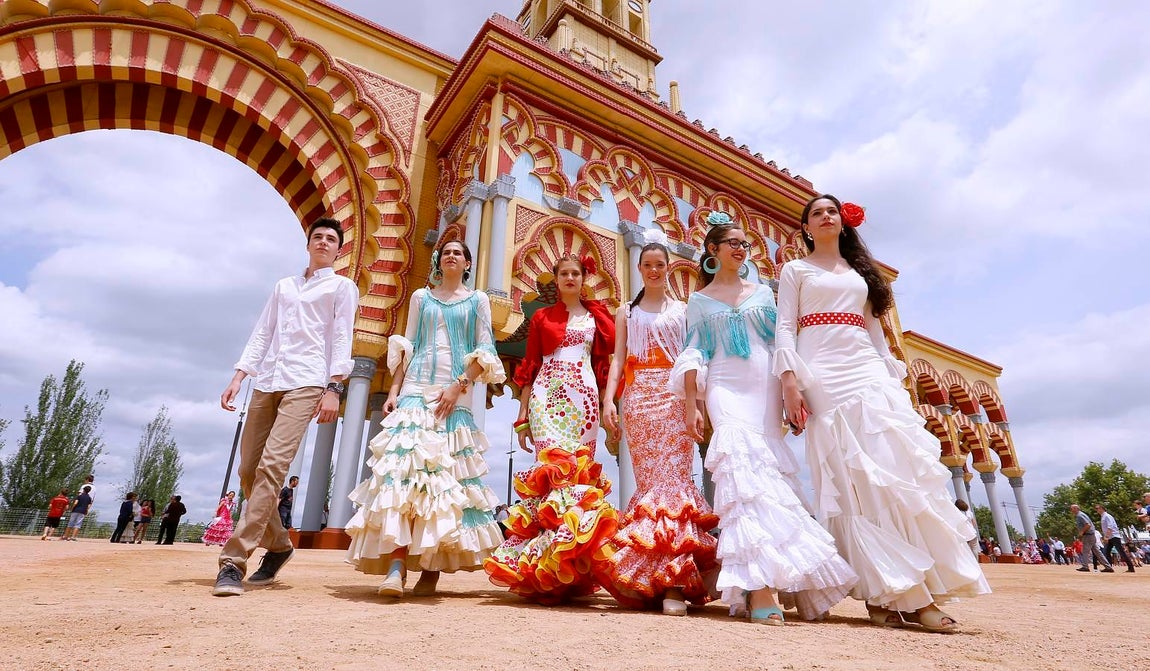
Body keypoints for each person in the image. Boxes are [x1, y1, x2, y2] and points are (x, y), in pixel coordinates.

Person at [775, 195, 990, 632]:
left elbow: (874, 331)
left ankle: (912, 590)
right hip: (823, 374)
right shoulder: (795, 270)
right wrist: (789, 381)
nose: (826, 216)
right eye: (817, 212)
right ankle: (890, 593)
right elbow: (784, 326)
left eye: (832, 210)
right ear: (806, 227)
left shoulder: (860, 275)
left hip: (865, 367)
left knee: (893, 472)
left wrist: (891, 377)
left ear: (843, 223)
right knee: (852, 481)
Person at [670, 212, 856, 625]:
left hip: (765, 386)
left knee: (770, 481)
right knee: (740, 471)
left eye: (745, 244)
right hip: (723, 384)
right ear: (712, 252)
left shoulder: (763, 293)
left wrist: (795, 390)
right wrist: (691, 402)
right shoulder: (699, 301)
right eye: (732, 243)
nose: (740, 249)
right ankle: (759, 588)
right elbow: (694, 350)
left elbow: (780, 343)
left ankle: (790, 582)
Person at [345, 239, 506, 598]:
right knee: (405, 475)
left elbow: (486, 349)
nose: (451, 256)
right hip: (416, 389)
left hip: (454, 392)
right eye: (446, 251)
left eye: (458, 253)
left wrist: (459, 385)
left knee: (445, 482)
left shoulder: (477, 300)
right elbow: (409, 345)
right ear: (439, 260)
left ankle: (432, 568)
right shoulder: (421, 297)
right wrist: (393, 390)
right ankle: (397, 565)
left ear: (467, 263)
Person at [212, 217, 359, 597]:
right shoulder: (284, 286)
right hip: (268, 380)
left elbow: (343, 336)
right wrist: (239, 376)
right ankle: (278, 545)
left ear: (338, 249)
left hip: (308, 381)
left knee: (273, 466)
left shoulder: (342, 287)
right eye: (318, 237)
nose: (323, 242)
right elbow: (264, 331)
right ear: (308, 244)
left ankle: (233, 561)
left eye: (331, 239)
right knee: (248, 470)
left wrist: (334, 387)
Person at [483, 253, 619, 604]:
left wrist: (608, 405)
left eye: (576, 273)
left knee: (577, 478)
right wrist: (523, 416)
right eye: (564, 274)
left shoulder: (597, 319)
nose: (570, 278)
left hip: (584, 399)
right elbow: (529, 366)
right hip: (547, 396)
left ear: (583, 278)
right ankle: (543, 568)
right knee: (550, 474)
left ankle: (571, 569)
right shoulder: (542, 317)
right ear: (555, 280)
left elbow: (604, 366)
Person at [599, 234, 719, 616]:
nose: (653, 270)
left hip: (673, 395)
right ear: (639, 269)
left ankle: (676, 583)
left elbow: (692, 359)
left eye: (660, 265)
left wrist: (695, 405)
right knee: (650, 484)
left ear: (668, 269)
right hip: (638, 399)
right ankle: (654, 577)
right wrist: (610, 401)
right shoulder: (626, 313)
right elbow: (618, 359)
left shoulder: (682, 310)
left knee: (676, 482)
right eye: (647, 265)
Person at [1070, 504, 1112, 572]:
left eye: (1072, 509)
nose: (1071, 510)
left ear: (1076, 508)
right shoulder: (1080, 515)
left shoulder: (1080, 515)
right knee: (1097, 552)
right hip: (1091, 535)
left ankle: (1085, 566)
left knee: (1085, 551)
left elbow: (1088, 525)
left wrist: (1082, 532)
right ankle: (1108, 567)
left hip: (1088, 535)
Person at [1095, 504, 1134, 572]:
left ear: (1102, 508)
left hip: (1114, 536)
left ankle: (1131, 567)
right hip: (1110, 537)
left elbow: (1110, 526)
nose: (1096, 510)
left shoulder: (1107, 516)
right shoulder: (1103, 516)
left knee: (1121, 552)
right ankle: (1109, 568)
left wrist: (1106, 537)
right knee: (1107, 552)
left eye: (1097, 508)